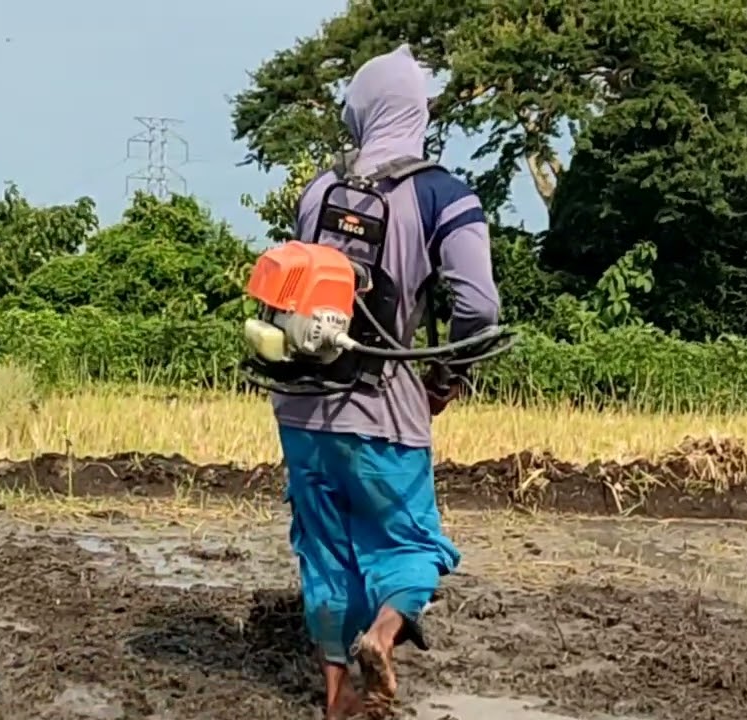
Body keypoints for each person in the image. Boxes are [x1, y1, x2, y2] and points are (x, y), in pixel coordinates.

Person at [273, 44, 501, 718]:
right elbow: (479, 308)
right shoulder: (444, 196)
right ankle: (382, 634)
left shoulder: (316, 192)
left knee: (324, 553)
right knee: (411, 545)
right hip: (384, 410)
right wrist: (444, 378)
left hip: (302, 410)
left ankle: (337, 701)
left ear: (364, 113)